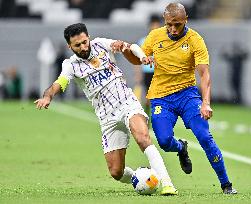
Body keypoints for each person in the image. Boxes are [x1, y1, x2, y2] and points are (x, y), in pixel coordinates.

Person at [34, 23, 177, 195]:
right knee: (116, 172)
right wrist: (48, 96)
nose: (83, 47)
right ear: (69, 46)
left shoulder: (101, 43)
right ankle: (138, 177)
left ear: (88, 37)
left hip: (127, 103)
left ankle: (167, 184)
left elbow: (130, 46)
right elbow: (60, 82)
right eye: (77, 45)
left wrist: (141, 56)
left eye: (84, 42)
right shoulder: (70, 65)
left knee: (142, 137)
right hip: (107, 117)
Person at [140, 3, 237, 194]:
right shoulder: (154, 36)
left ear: (186, 20)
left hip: (187, 96)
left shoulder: (195, 40)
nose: (173, 29)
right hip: (161, 98)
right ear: (165, 21)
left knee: (204, 137)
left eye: (177, 24)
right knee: (165, 141)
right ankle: (181, 147)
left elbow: (205, 73)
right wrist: (140, 57)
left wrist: (206, 103)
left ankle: (226, 184)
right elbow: (138, 57)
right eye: (169, 24)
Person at [134, 14, 161, 118]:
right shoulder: (143, 41)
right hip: (148, 72)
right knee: (148, 98)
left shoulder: (164, 41)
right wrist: (138, 74)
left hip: (159, 72)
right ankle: (148, 118)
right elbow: (137, 59)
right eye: (153, 25)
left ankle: (159, 119)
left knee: (160, 97)